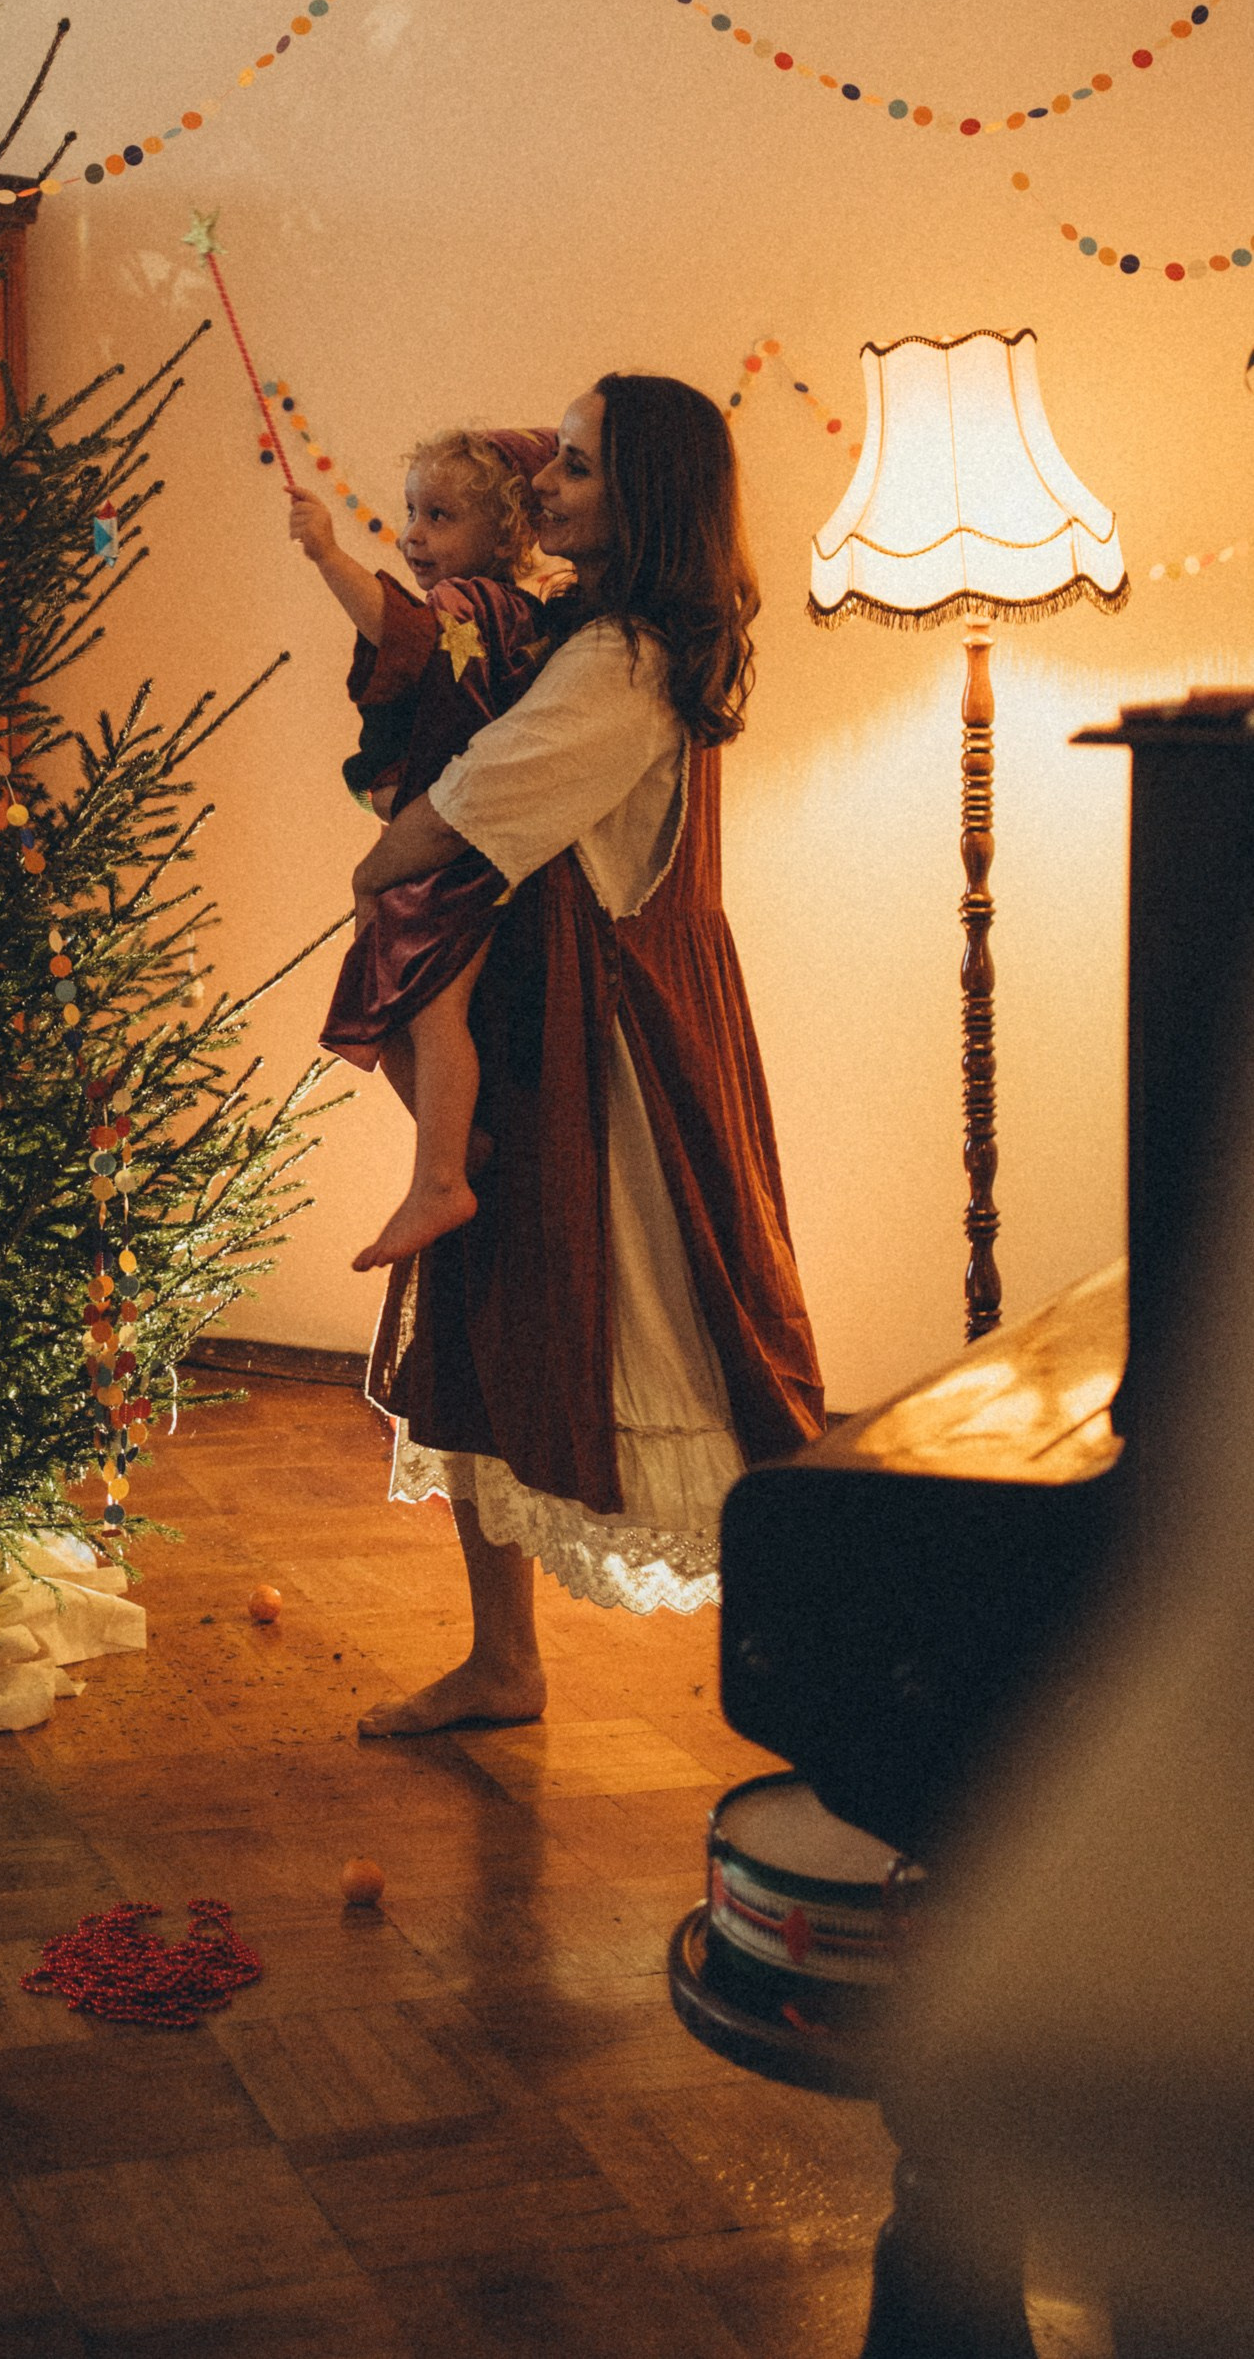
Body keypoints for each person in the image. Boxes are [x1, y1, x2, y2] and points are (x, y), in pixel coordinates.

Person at [340, 377, 823, 1736]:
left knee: (675, 1340)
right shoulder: (581, 631)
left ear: (648, 497)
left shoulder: (624, 661)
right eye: (550, 460)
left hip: (606, 1039)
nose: (546, 484)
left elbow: (480, 806)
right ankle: (503, 1661)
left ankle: (823, 1656)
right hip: (543, 1014)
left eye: (577, 467)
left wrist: (378, 861)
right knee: (485, 1328)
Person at [292, 427, 556, 1264]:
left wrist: (329, 556)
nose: (411, 536)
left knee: (432, 1001)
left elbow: (398, 632)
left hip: (457, 846)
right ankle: (452, 1150)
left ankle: (442, 1172)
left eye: (439, 517)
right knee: (397, 993)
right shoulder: (503, 612)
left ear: (505, 535)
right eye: (411, 511)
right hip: (443, 841)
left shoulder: (477, 608)